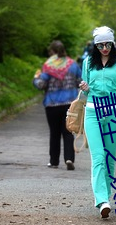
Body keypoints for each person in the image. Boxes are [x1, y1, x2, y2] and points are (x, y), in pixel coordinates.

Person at [79, 26, 116, 218]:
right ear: (95, 45)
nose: (104, 48)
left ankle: (106, 197)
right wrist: (84, 87)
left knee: (110, 157)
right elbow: (85, 92)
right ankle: (101, 200)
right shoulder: (87, 63)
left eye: (108, 44)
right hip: (92, 112)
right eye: (100, 45)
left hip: (113, 113)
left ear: (113, 43)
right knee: (98, 156)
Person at [33, 40, 82, 170]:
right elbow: (80, 82)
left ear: (52, 52)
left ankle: (54, 161)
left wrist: (36, 78)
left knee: (54, 133)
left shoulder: (48, 66)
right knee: (68, 132)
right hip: (69, 104)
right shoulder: (73, 65)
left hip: (52, 104)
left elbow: (41, 85)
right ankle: (69, 158)